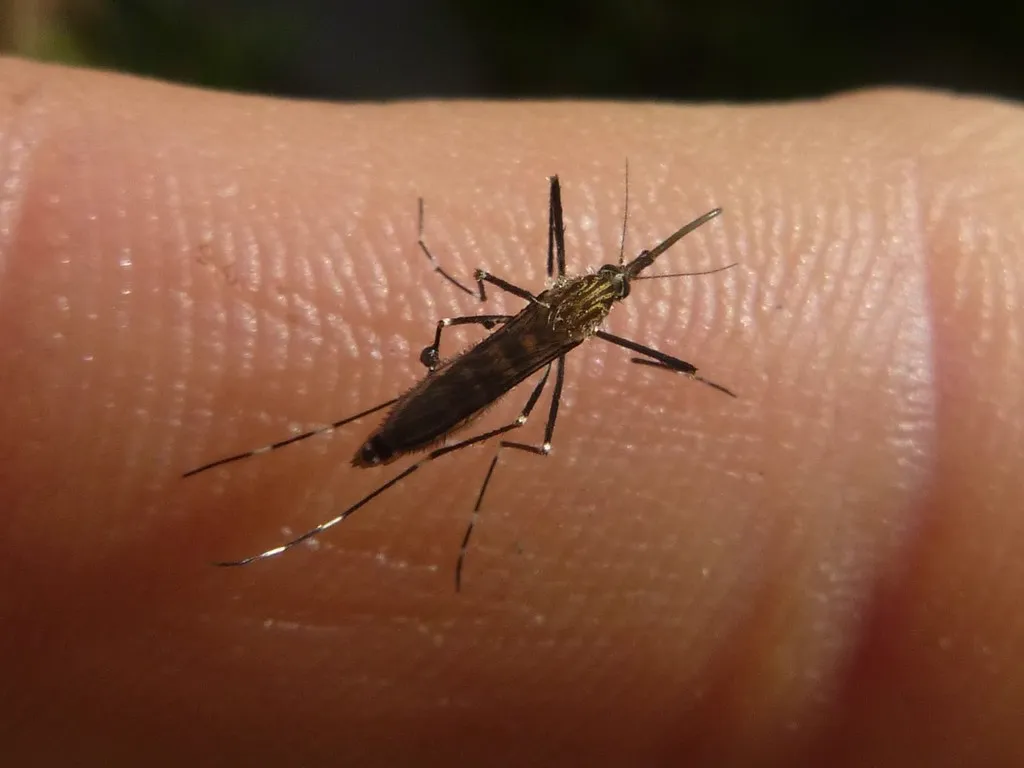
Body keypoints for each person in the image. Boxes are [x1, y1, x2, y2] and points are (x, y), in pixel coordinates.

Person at [1, 57, 1020, 766]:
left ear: (592, 301)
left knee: (504, 398)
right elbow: (488, 307)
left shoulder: (558, 309)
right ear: (594, 298)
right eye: (613, 280)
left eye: (617, 284)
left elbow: (490, 309)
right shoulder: (574, 319)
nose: (616, 282)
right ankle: (375, 452)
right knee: (495, 384)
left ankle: (382, 460)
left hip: (495, 363)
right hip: (492, 365)